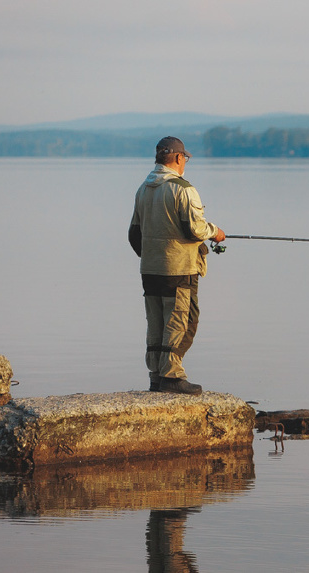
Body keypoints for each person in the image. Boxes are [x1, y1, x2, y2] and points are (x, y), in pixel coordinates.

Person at [129, 136, 225, 395]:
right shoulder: (183, 189)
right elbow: (195, 229)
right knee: (185, 320)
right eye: (185, 159)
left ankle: (156, 376)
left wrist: (152, 256)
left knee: (157, 322)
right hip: (179, 269)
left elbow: (133, 235)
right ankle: (171, 376)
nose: (186, 164)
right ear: (179, 158)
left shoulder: (143, 189)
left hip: (150, 269)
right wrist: (215, 232)